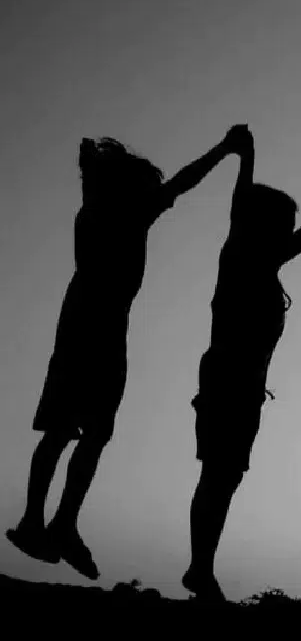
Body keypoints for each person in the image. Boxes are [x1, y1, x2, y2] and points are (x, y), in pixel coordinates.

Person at [6, 127, 245, 580]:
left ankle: (43, 521)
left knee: (65, 431)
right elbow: (184, 181)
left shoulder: (91, 210)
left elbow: (108, 182)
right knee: (89, 432)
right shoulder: (130, 214)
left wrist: (87, 165)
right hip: (100, 331)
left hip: (79, 325)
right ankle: (57, 523)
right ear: (130, 187)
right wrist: (224, 148)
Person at [183, 129, 301, 601]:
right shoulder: (242, 259)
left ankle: (201, 567)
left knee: (224, 476)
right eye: (284, 225)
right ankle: (199, 569)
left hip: (241, 385)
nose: (291, 232)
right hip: (228, 381)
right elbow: (289, 217)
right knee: (218, 475)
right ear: (263, 227)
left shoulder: (257, 265)